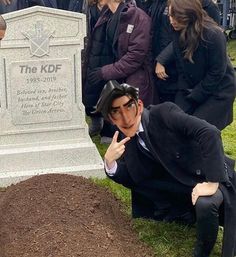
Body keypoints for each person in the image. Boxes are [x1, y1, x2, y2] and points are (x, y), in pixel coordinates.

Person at [95, 80, 236, 257]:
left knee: (205, 203)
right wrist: (110, 163)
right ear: (110, 118)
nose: (126, 118)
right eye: (116, 112)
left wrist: (212, 182)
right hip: (182, 185)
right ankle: (183, 212)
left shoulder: (164, 113)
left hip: (209, 175)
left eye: (129, 106)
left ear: (139, 105)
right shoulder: (126, 139)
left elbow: (209, 133)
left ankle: (202, 251)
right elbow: (135, 178)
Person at [155, 0, 236, 130]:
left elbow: (217, 72)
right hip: (192, 85)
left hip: (219, 90)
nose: (171, 21)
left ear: (188, 14)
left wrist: (196, 94)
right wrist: (184, 95)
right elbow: (182, 67)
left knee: (198, 128)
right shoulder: (178, 31)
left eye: (176, 17)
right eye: (170, 16)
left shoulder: (213, 35)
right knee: (175, 122)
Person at [83, 0, 154, 139]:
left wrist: (104, 72)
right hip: (115, 73)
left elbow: (134, 58)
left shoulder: (138, 17)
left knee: (134, 125)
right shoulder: (106, 15)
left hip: (136, 77)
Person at [150, 0, 221, 103]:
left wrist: (162, 58)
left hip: (200, 75)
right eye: (170, 16)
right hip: (179, 74)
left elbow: (217, 69)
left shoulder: (209, 11)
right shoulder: (166, 7)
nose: (172, 20)